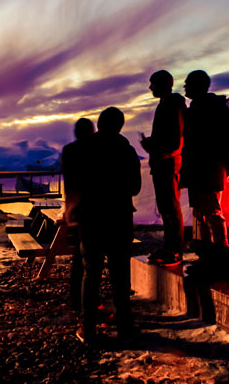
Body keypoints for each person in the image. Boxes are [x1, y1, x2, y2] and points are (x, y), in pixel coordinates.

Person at [76, 107, 141, 344]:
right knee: (120, 276)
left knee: (90, 274)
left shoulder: (85, 149)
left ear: (100, 124)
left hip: (92, 219)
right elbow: (135, 187)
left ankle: (88, 326)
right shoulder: (127, 150)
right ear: (120, 126)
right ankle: (125, 326)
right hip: (119, 219)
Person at [180, 70, 229, 266]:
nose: (184, 86)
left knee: (212, 210)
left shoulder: (212, 109)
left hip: (209, 169)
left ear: (197, 86)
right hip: (199, 169)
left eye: (187, 83)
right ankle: (207, 254)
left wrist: (227, 166)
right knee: (200, 212)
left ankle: (222, 251)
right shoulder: (197, 109)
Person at [140, 70, 186, 267]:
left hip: (167, 164)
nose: (150, 88)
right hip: (163, 163)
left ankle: (175, 250)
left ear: (162, 84)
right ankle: (170, 248)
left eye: (153, 84)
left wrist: (153, 147)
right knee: (167, 209)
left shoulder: (172, 105)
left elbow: (174, 142)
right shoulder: (167, 105)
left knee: (171, 208)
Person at [60, 117, 95, 311]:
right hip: (90, 211)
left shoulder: (69, 151)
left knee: (78, 258)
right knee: (87, 261)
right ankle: (86, 304)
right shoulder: (92, 151)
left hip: (73, 211)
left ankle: (77, 300)